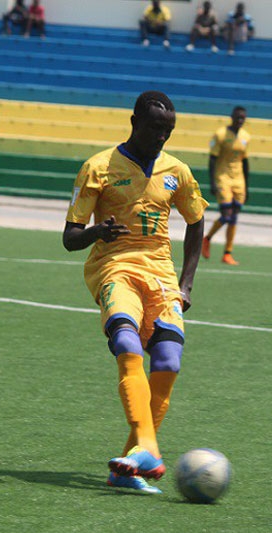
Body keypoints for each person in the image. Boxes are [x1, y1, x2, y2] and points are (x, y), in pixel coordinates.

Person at [62, 91, 208, 495]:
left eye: (169, 130)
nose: (162, 136)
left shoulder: (178, 171)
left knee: (168, 361)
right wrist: (96, 231)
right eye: (155, 128)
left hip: (160, 273)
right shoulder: (98, 168)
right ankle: (148, 448)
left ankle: (129, 464)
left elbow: (196, 221)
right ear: (133, 122)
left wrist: (187, 282)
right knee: (126, 341)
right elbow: (70, 238)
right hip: (115, 268)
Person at [202, 106, 250, 265]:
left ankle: (227, 253)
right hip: (223, 178)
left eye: (243, 118)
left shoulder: (245, 137)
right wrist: (212, 182)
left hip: (239, 180)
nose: (240, 120)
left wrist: (247, 187)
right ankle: (207, 239)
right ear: (232, 117)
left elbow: (245, 162)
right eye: (238, 117)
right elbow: (212, 159)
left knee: (234, 217)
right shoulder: (220, 134)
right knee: (226, 215)